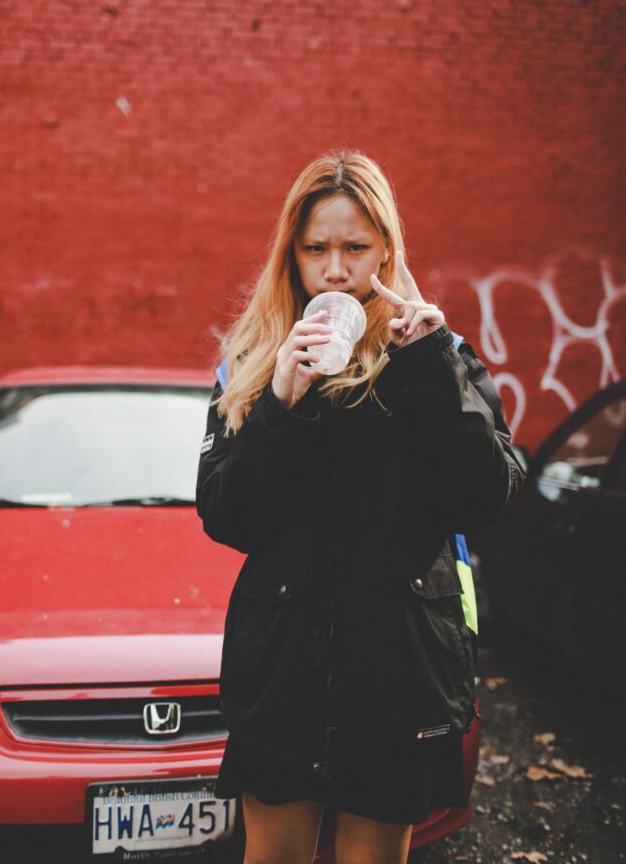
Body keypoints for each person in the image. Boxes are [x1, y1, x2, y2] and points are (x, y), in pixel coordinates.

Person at [195, 151, 524, 864]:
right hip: (283, 666)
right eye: (316, 249)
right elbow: (227, 516)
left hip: (396, 673)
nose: (336, 270)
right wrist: (280, 402)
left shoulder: (440, 356)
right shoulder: (251, 363)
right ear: (292, 255)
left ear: (389, 254)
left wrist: (430, 364)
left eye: (356, 248)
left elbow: (486, 498)